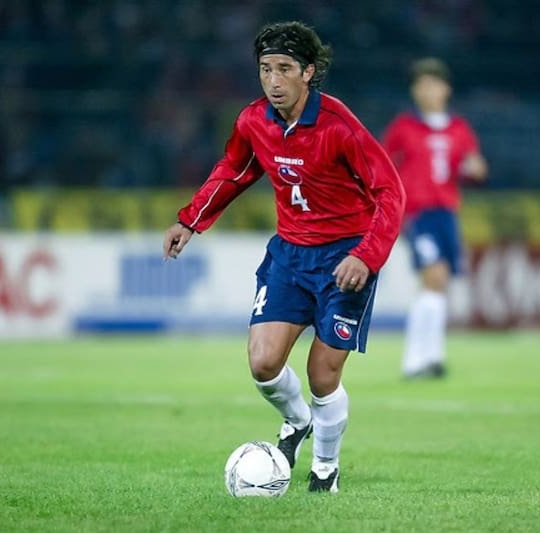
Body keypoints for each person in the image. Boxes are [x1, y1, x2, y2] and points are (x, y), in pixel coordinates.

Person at [163, 21, 405, 493]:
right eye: (265, 70)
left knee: (322, 372)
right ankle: (297, 421)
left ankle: (324, 471)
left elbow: (390, 191)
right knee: (262, 362)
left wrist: (367, 256)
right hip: (290, 256)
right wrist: (190, 220)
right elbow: (234, 170)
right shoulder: (255, 121)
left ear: (308, 73)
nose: (273, 81)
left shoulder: (339, 127)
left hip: (343, 261)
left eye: (284, 69)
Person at [382, 58, 487, 380]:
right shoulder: (403, 127)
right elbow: (381, 163)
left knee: (439, 286)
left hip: (447, 213)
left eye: (433, 84)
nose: (427, 91)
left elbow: (477, 166)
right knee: (435, 276)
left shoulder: (459, 128)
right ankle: (413, 361)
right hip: (417, 213)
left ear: (446, 88)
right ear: (414, 90)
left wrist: (474, 168)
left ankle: (433, 356)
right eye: (421, 85)